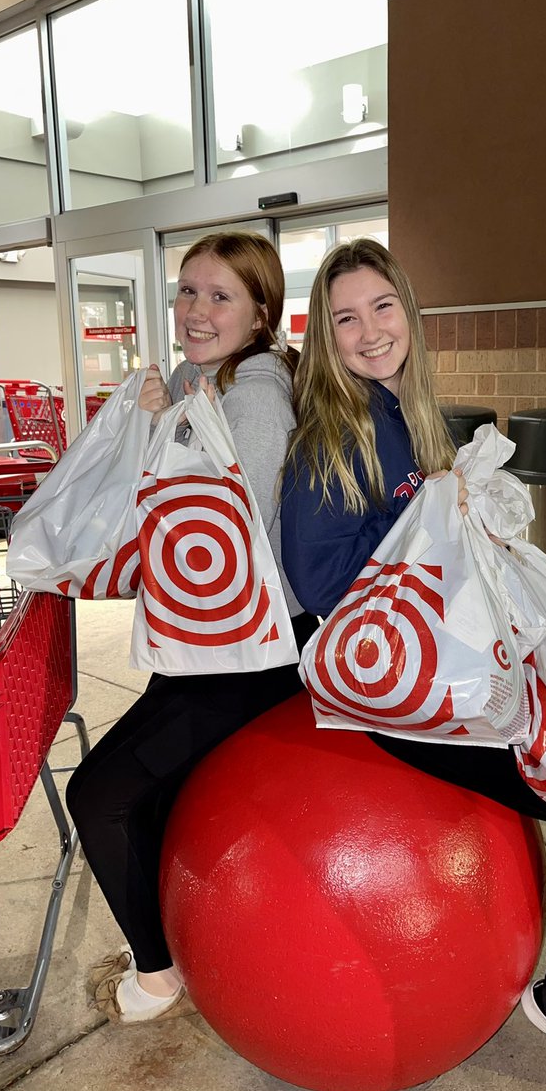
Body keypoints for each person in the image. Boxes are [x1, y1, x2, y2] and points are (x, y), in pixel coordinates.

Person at [280, 237, 546, 1091]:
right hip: (399, 700)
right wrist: (428, 518)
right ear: (324, 335)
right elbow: (317, 585)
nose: (369, 331)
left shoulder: (409, 413)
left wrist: (460, 513)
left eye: (382, 307)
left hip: (457, 672)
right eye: (346, 318)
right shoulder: (332, 434)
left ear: (408, 312)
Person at [66, 231, 316, 1024]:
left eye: (220, 297)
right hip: (205, 643)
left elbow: (236, 544)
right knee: (148, 793)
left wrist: (154, 435)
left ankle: (158, 974)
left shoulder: (255, 400)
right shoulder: (195, 379)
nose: (196, 311)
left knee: (98, 796)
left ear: (261, 314)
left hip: (250, 655)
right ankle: (177, 942)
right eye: (187, 291)